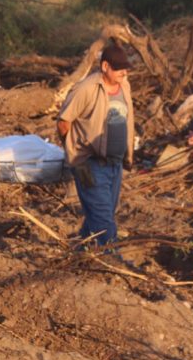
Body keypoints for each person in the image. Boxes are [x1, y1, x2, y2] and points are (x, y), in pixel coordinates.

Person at [57, 45, 135, 247]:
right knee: (103, 220)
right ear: (105, 66)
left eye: (125, 68)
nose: (124, 72)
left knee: (104, 213)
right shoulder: (86, 89)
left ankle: (81, 252)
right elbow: (63, 122)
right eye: (119, 68)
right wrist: (75, 153)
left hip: (115, 163)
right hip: (89, 164)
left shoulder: (124, 85)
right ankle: (112, 259)